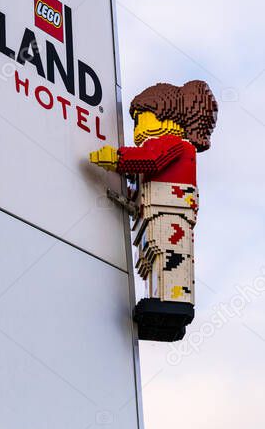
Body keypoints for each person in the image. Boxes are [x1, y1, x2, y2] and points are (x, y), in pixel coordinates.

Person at [90, 80, 218, 342]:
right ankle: (160, 299)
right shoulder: (158, 152)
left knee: (170, 257)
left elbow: (151, 160)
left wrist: (117, 159)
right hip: (154, 213)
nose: (138, 130)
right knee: (150, 259)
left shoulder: (173, 145)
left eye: (142, 120)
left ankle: (173, 300)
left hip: (170, 211)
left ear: (164, 117)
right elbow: (141, 185)